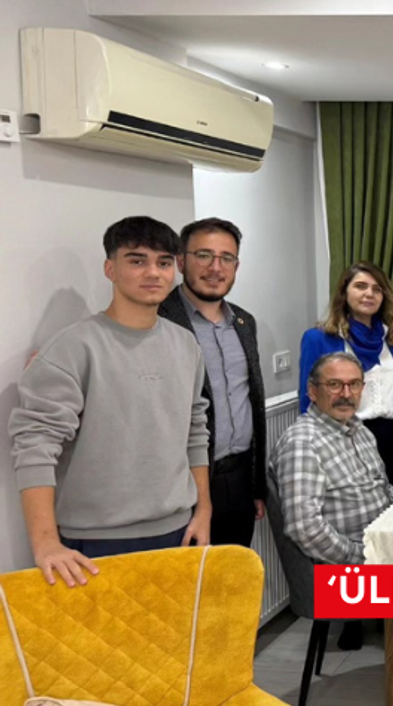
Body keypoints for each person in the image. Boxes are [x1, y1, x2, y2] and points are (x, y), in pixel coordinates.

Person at [9, 216, 212, 587]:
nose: (153, 272)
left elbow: (195, 429)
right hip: (96, 542)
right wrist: (45, 543)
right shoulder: (72, 347)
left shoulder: (186, 344)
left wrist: (204, 509)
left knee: (177, 628)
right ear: (110, 269)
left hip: (178, 530)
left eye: (164, 262)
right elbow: (35, 445)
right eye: (137, 260)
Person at [273, 352, 393, 650]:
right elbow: (304, 528)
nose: (346, 394)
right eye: (334, 385)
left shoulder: (359, 430)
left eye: (354, 384)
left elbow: (384, 488)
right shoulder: (303, 443)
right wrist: (361, 558)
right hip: (342, 574)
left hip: (379, 551)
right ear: (312, 391)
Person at [158, 218, 266, 547]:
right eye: (204, 255)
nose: (215, 268)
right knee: (192, 577)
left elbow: (252, 404)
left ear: (236, 266)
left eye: (226, 258)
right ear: (181, 261)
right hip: (185, 485)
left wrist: (256, 486)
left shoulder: (244, 322)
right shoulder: (158, 319)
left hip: (240, 478)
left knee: (235, 573)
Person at [299, 262, 393, 495]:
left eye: (377, 289)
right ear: (344, 292)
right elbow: (308, 400)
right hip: (344, 442)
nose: (370, 293)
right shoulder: (319, 339)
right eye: (361, 286)